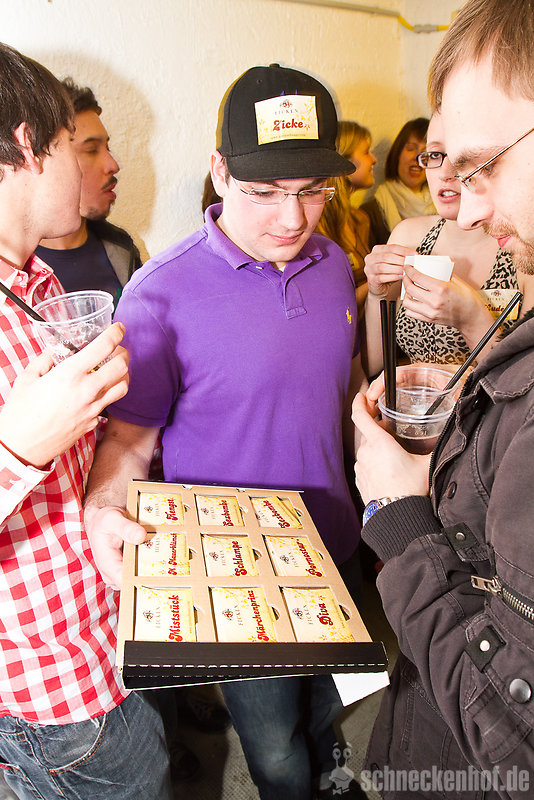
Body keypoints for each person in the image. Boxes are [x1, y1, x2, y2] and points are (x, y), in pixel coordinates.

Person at [83, 63, 368, 800]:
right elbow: (128, 443)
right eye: (264, 191)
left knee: (329, 704)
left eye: (312, 190)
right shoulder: (160, 294)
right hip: (240, 581)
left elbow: (339, 392)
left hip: (336, 547)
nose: (292, 218)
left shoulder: (333, 263)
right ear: (219, 171)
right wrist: (104, 507)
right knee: (274, 750)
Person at [353, 0, 534, 796]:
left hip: (458, 475)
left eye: (477, 163)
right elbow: (388, 361)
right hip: (429, 444)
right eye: (438, 161)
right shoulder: (412, 237)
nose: (457, 186)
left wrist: (464, 312)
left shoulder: (507, 250)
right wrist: (377, 299)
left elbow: (503, 356)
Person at [0, 42, 171, 800]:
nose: (99, 166)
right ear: (32, 145)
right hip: (52, 700)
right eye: (78, 145)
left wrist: (98, 507)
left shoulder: (33, 277)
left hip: (100, 636)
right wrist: (18, 445)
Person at [362, 111, 532, 376]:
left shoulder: (523, 250)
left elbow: (522, 383)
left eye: (460, 156)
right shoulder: (409, 236)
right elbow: (373, 364)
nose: (445, 173)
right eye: (434, 155)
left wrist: (472, 320)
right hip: (416, 402)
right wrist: (376, 295)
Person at [35, 79, 141, 306]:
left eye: (107, 148)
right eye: (91, 150)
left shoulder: (122, 252)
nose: (112, 165)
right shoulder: (13, 270)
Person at [316, 121, 375, 311]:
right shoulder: (315, 227)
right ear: (344, 161)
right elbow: (331, 309)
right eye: (366, 152)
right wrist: (378, 282)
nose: (374, 159)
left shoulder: (361, 220)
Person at [361, 117, 435, 247]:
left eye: (426, 152)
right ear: (397, 154)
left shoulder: (444, 208)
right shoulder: (371, 213)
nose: (417, 157)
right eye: (410, 148)